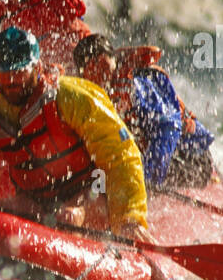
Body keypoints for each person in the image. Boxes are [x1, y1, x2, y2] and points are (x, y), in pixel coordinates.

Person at [0, 27, 151, 241]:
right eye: (4, 72)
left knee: (67, 217)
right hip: (37, 200)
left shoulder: (70, 97)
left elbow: (122, 155)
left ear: (37, 68)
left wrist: (129, 217)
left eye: (19, 71)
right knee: (5, 210)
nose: (11, 80)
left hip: (91, 194)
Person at [73, 34, 216, 190]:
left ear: (111, 57)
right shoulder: (92, 96)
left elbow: (168, 127)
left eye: (101, 62)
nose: (99, 72)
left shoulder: (135, 82)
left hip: (193, 160)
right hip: (157, 159)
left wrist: (148, 179)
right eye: (91, 68)